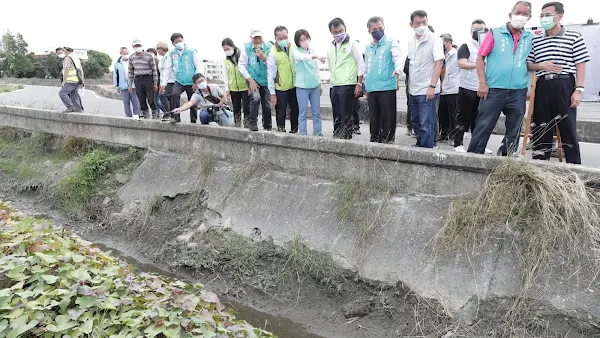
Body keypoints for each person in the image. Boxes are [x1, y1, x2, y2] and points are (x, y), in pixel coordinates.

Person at [527, 1, 591, 164]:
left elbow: (580, 64)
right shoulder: (536, 40)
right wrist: (541, 65)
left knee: (567, 127)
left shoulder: (574, 36)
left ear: (559, 16)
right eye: (541, 16)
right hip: (542, 85)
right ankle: (539, 166)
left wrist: (579, 90)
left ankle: (575, 170)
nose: (543, 18)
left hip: (564, 84)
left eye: (547, 15)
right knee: (541, 127)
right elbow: (529, 64)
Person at [467, 1, 534, 155]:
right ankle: (473, 158)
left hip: (518, 91)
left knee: (514, 129)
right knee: (484, 125)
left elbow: (529, 63)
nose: (521, 16)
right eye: (518, 12)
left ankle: (506, 159)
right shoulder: (495, 33)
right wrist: (482, 83)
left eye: (525, 14)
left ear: (529, 18)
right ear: (510, 15)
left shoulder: (529, 37)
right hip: (493, 89)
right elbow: (480, 58)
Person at [451, 20, 492, 153]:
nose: (479, 32)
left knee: (479, 120)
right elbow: (462, 64)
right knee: (463, 118)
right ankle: (458, 144)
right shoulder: (466, 45)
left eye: (482, 29)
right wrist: (479, 64)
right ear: (471, 31)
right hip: (467, 88)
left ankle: (479, 145)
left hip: (482, 88)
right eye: (476, 29)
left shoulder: (489, 46)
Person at [407, 10, 444, 148]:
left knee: (426, 123)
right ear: (411, 24)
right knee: (415, 121)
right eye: (418, 23)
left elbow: (439, 63)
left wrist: (432, 86)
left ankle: (426, 151)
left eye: (424, 22)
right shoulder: (411, 41)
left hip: (428, 88)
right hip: (414, 89)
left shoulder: (435, 40)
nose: (422, 25)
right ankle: (420, 145)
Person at [364, 16, 404, 144]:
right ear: (369, 30)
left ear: (384, 27)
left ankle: (388, 141)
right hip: (372, 87)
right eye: (374, 29)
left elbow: (399, 58)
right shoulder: (367, 47)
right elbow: (366, 67)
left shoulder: (391, 42)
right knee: (374, 117)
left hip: (386, 86)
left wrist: (398, 69)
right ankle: (374, 140)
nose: (377, 31)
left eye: (380, 28)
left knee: (388, 117)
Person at [327, 18, 365, 139]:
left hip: (348, 83)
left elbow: (360, 64)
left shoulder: (353, 43)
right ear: (331, 32)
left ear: (345, 28)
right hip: (335, 84)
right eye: (335, 32)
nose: (338, 34)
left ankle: (346, 137)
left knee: (346, 113)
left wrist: (359, 84)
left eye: (341, 30)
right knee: (336, 112)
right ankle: (337, 134)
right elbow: (331, 65)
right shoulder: (331, 46)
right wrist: (331, 84)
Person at [160, 33, 202, 124]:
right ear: (173, 43)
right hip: (179, 80)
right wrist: (163, 83)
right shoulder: (172, 53)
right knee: (174, 95)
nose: (179, 43)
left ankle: (193, 120)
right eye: (176, 42)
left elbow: (198, 66)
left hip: (191, 81)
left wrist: (197, 82)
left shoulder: (191, 51)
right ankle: (176, 117)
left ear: (183, 40)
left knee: (192, 100)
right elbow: (168, 69)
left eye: (180, 41)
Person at [292, 29, 325, 137]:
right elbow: (301, 58)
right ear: (298, 41)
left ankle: (318, 134)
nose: (305, 41)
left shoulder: (312, 50)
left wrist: (319, 84)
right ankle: (303, 136)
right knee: (303, 113)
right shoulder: (296, 51)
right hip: (302, 87)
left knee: (316, 112)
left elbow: (316, 69)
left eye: (306, 38)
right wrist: (315, 56)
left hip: (314, 86)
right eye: (302, 39)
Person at [239, 29, 274, 131]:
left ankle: (267, 125)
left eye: (259, 37)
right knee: (256, 98)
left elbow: (272, 65)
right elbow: (241, 65)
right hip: (253, 79)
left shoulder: (269, 47)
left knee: (267, 104)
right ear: (251, 38)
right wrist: (250, 80)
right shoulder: (247, 48)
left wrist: (263, 58)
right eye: (255, 38)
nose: (258, 40)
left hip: (266, 79)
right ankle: (253, 122)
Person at [267, 26, 300, 133]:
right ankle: (280, 129)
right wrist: (272, 93)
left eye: (285, 37)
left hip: (294, 85)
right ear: (275, 38)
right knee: (281, 111)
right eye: (280, 38)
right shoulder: (272, 52)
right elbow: (271, 74)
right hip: (280, 87)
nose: (283, 40)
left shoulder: (294, 47)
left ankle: (294, 130)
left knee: (295, 109)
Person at [222, 38, 252, 129]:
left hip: (244, 87)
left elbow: (248, 70)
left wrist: (250, 84)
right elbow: (226, 75)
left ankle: (247, 125)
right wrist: (227, 90)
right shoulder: (226, 60)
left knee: (247, 108)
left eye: (228, 48)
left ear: (233, 46)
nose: (227, 51)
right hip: (234, 88)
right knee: (236, 108)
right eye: (224, 49)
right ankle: (237, 124)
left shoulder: (242, 56)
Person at [128, 39, 158, 119]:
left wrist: (155, 83)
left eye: (139, 45)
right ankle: (146, 117)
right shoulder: (131, 57)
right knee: (141, 99)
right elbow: (130, 72)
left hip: (148, 78)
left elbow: (154, 70)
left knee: (151, 98)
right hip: (138, 79)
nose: (138, 47)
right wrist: (130, 84)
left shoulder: (149, 56)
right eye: (136, 46)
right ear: (133, 47)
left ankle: (154, 115)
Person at [438, 33, 460, 141]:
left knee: (453, 114)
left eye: (443, 43)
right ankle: (444, 133)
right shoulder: (441, 56)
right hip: (442, 88)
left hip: (453, 88)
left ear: (449, 42)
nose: (442, 46)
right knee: (442, 113)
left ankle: (453, 135)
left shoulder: (457, 55)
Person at [113, 47, 141, 118]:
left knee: (136, 102)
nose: (126, 55)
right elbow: (116, 75)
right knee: (126, 103)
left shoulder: (132, 61)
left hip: (134, 85)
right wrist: (117, 86)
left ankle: (136, 116)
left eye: (127, 53)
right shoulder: (117, 64)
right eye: (124, 53)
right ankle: (128, 116)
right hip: (123, 86)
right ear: (121, 53)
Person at [59, 47, 84, 113]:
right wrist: (82, 80)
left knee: (62, 93)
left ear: (66, 50)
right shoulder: (76, 58)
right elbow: (81, 70)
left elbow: (67, 68)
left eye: (64, 50)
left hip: (70, 81)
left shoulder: (68, 58)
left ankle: (70, 107)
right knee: (74, 96)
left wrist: (64, 80)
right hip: (77, 81)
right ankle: (79, 111)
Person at [156, 41, 175, 121]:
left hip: (171, 80)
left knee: (162, 95)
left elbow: (169, 70)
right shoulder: (162, 59)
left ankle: (168, 114)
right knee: (168, 98)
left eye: (157, 49)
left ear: (161, 49)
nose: (157, 51)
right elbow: (162, 73)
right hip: (164, 82)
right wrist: (161, 84)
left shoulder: (170, 56)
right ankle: (171, 115)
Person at [146, 47, 163, 119]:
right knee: (153, 100)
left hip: (156, 83)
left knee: (155, 100)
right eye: (148, 53)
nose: (150, 54)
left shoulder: (157, 61)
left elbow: (159, 73)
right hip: (149, 84)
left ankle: (164, 112)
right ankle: (157, 114)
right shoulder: (148, 61)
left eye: (151, 53)